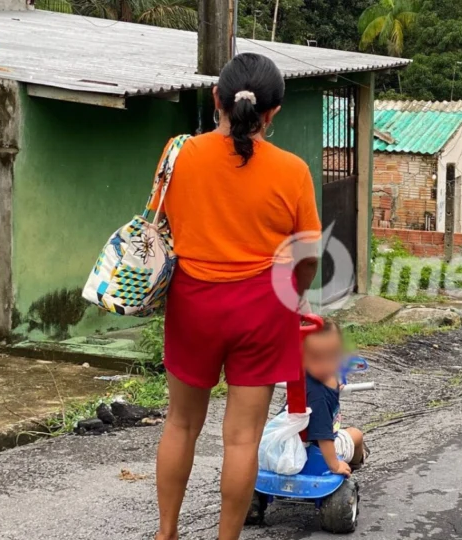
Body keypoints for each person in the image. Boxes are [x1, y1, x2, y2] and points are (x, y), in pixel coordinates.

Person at [153, 52, 321, 540]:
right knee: (242, 437)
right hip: (263, 311)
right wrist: (298, 294)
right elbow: (306, 257)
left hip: (192, 307)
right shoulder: (292, 172)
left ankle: (167, 534)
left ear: (215, 99)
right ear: (273, 114)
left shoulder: (178, 154)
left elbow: (160, 227)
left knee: (181, 425)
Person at [304, 321, 366, 476]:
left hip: (292, 442)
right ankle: (352, 464)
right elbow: (323, 435)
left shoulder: (301, 377)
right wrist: (335, 465)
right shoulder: (319, 396)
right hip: (317, 449)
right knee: (356, 434)